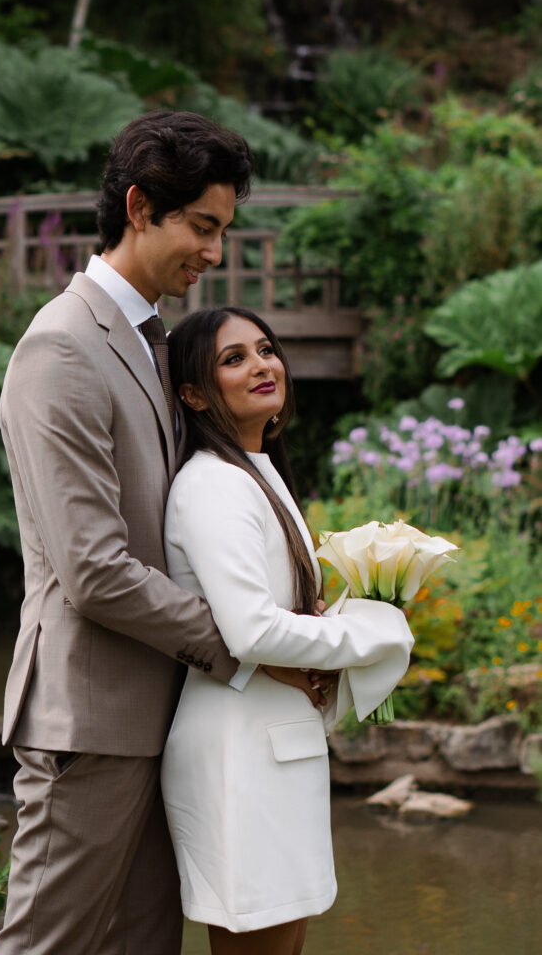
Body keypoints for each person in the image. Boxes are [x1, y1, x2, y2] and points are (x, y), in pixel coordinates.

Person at [0, 111, 286, 955]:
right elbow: (92, 569)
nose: (215, 254)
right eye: (202, 227)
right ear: (137, 206)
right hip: (89, 718)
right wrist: (248, 645)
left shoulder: (156, 345)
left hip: (169, 714)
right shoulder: (60, 348)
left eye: (223, 231)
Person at [161, 306, 415, 955]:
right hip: (240, 748)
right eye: (232, 358)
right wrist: (375, 632)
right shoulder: (213, 485)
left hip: (275, 741)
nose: (261, 364)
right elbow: (251, 630)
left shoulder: (255, 470)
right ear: (194, 394)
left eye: (265, 349)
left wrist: (344, 622)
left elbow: (279, 614)